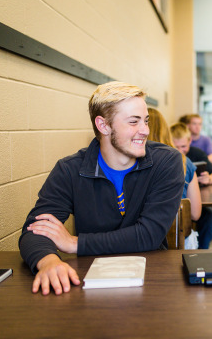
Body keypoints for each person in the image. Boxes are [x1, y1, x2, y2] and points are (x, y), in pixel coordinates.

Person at [18, 81, 184, 296]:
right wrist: (48, 261)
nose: (145, 130)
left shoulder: (166, 161)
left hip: (151, 278)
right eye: (133, 122)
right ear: (103, 125)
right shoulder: (70, 170)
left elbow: (149, 235)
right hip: (87, 282)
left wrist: (75, 243)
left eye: (146, 121)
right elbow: (34, 230)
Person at [147, 107, 202, 225]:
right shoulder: (182, 160)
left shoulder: (125, 162)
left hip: (137, 235)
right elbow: (195, 214)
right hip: (177, 234)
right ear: (165, 130)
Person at [170, 122, 212, 249]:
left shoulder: (197, 153)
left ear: (190, 141)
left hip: (195, 203)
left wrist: (209, 179)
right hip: (175, 206)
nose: (180, 151)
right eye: (176, 147)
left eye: (183, 146)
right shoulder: (168, 157)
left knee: (208, 216)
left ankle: (202, 250)